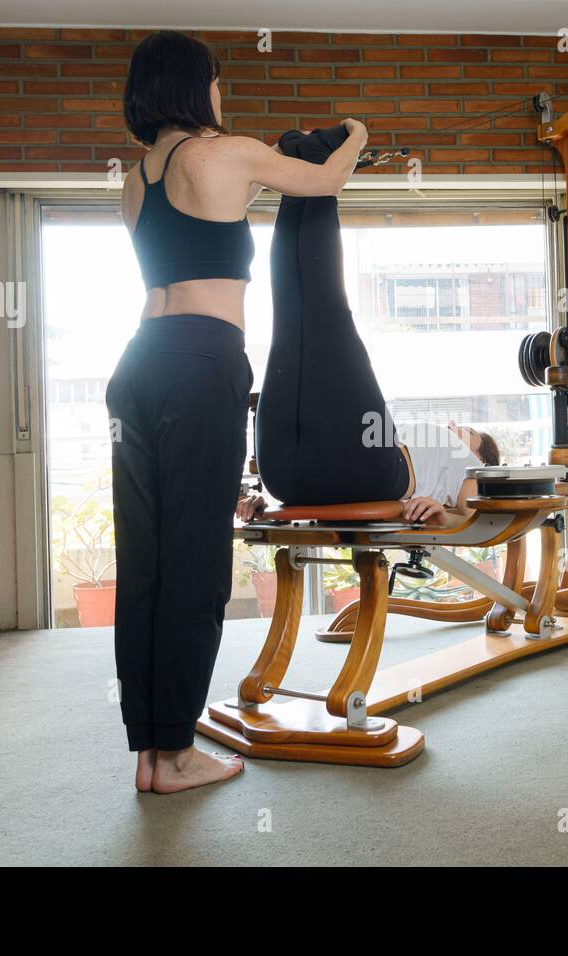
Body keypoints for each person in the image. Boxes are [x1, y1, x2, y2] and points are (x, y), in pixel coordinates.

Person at [108, 29, 369, 794]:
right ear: (198, 87)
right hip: (200, 363)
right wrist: (357, 133)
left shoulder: (134, 178)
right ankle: (178, 754)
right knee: (193, 564)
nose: (223, 97)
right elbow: (325, 181)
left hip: (138, 366)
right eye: (217, 84)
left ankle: (149, 755)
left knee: (147, 567)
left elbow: (197, 238)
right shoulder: (226, 152)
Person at [236, 421, 503, 527]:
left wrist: (443, 515)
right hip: (356, 456)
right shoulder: (420, 447)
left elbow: (471, 520)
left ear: (480, 460)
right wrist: (270, 504)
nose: (452, 427)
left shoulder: (469, 469)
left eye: (464, 433)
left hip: (376, 467)